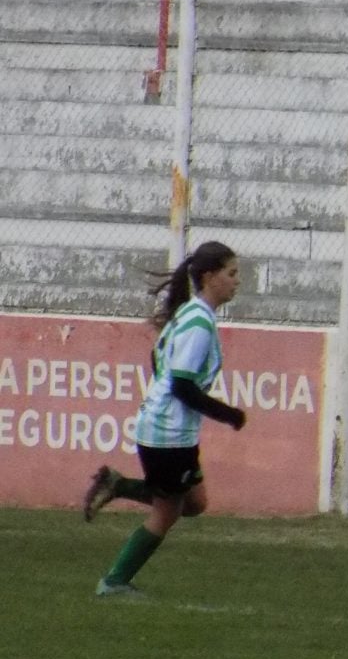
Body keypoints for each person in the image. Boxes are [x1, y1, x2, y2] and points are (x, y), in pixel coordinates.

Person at [82, 240, 247, 598]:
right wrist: (230, 415)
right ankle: (113, 582)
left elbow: (158, 361)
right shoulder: (199, 323)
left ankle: (118, 485)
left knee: (196, 503)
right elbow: (183, 387)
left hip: (169, 430)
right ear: (209, 277)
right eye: (231, 274)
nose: (237, 281)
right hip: (168, 434)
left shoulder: (190, 313)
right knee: (167, 513)